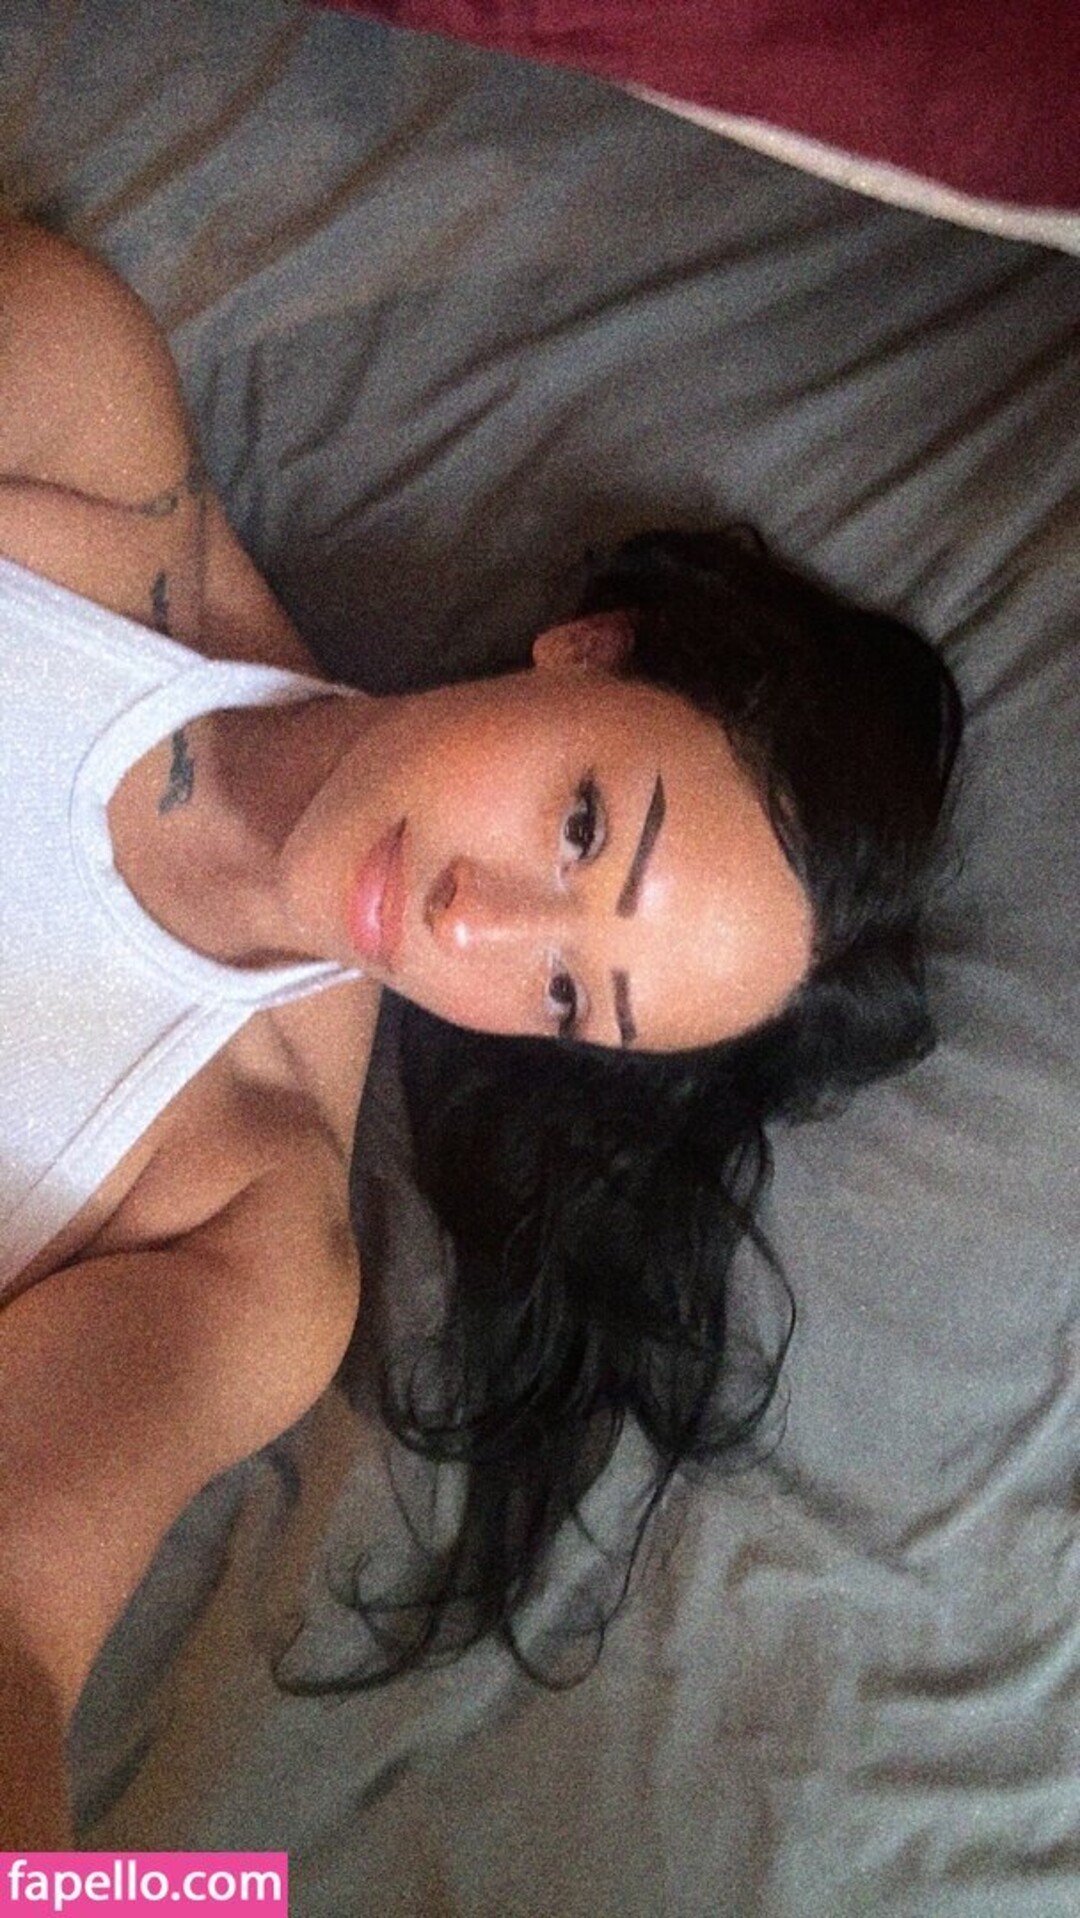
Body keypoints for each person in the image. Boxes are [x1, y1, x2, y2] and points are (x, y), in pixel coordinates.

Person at [0, 214, 961, 1842]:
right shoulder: (85, 434)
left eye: (570, 995)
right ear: (589, 651)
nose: (474, 925)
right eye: (582, 826)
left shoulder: (248, 1240)